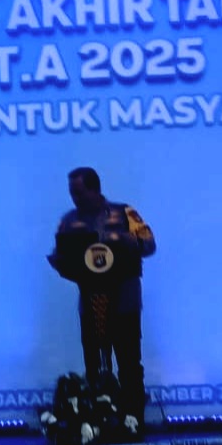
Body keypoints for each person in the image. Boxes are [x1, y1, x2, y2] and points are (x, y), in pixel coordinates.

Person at [47, 166, 156, 421]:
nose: (75, 198)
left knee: (129, 362)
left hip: (125, 300)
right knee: (93, 365)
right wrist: (59, 261)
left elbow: (150, 244)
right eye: (72, 193)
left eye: (79, 192)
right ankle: (98, 421)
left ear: (95, 189)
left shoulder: (125, 213)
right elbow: (60, 254)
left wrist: (129, 241)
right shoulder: (68, 221)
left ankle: (134, 419)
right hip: (91, 300)